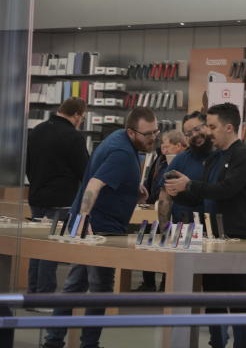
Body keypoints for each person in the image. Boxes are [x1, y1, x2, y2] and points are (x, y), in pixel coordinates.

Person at [42, 107, 157, 348]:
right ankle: (88, 344)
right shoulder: (122, 153)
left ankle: (54, 341)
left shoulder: (122, 141)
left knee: (74, 286)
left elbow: (105, 178)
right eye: (148, 134)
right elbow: (93, 185)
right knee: (100, 288)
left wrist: (131, 190)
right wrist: (85, 224)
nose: (153, 138)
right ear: (131, 132)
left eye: (155, 132)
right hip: (100, 230)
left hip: (96, 225)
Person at [165, 103, 246, 348]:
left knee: (241, 301)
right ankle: (216, 344)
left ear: (229, 128)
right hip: (214, 238)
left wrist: (190, 185)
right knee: (214, 298)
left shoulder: (245, 156)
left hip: (242, 239)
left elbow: (227, 189)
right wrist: (176, 192)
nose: (208, 132)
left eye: (212, 126)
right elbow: (202, 196)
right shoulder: (215, 158)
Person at [25, 97, 88, 297]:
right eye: (82, 117)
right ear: (77, 115)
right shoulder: (73, 136)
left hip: (36, 195)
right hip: (60, 200)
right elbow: (84, 170)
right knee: (51, 249)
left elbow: (28, 163)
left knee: (37, 247)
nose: (81, 121)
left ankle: (33, 292)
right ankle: (45, 295)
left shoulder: (37, 131)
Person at [136, 130, 187, 291]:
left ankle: (166, 283)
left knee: (170, 246)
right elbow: (153, 180)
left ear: (178, 146)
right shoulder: (160, 160)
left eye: (167, 147)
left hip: (175, 212)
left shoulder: (181, 162)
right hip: (154, 209)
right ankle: (148, 282)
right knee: (147, 241)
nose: (163, 150)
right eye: (162, 146)